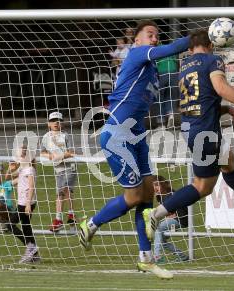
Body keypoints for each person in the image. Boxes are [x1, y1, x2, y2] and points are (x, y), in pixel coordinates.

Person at [78, 20, 190, 279]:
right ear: (137, 40)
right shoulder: (137, 53)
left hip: (137, 134)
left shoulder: (153, 72)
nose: (154, 39)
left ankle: (146, 259)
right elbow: (171, 49)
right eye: (149, 35)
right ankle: (91, 224)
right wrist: (196, 38)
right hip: (117, 134)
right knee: (133, 198)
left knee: (148, 197)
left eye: (156, 35)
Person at [143, 29, 234, 241]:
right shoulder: (212, 60)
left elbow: (199, 99)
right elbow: (220, 87)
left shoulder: (184, 67)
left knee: (227, 160)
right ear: (212, 45)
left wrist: (224, 110)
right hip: (204, 132)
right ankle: (157, 214)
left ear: (189, 49)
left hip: (195, 128)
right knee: (202, 186)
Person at [0, 161, 38, 263]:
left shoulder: (6, 184)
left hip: (7, 213)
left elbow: (21, 178)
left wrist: (14, 169)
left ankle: (4, 224)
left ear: (2, 173)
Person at [40, 111, 77, 232]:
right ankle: (60, 219)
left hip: (69, 167)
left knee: (66, 190)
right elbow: (42, 152)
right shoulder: (46, 137)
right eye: (53, 120)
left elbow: (70, 152)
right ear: (48, 123)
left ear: (62, 123)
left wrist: (59, 156)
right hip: (58, 169)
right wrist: (50, 156)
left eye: (58, 120)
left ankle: (70, 215)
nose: (56, 122)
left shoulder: (64, 135)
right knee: (59, 193)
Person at [9, 145, 40, 263]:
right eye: (18, 155)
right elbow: (8, 179)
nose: (19, 157)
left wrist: (27, 204)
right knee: (26, 227)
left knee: (9, 224)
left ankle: (30, 246)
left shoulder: (30, 170)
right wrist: (10, 170)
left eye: (22, 154)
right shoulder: (22, 169)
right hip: (22, 203)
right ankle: (35, 256)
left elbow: (31, 187)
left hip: (26, 204)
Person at [152, 176, 189, 264]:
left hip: (180, 220)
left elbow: (169, 211)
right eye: (153, 186)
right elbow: (167, 212)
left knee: (158, 229)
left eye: (157, 185)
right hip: (171, 219)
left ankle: (157, 256)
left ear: (163, 185)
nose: (155, 188)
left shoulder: (172, 194)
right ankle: (182, 256)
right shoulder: (159, 196)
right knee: (162, 240)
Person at [154, 53, 180, 128]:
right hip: (173, 72)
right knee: (171, 96)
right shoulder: (173, 46)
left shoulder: (157, 47)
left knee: (159, 98)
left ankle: (161, 122)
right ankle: (171, 114)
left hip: (161, 72)